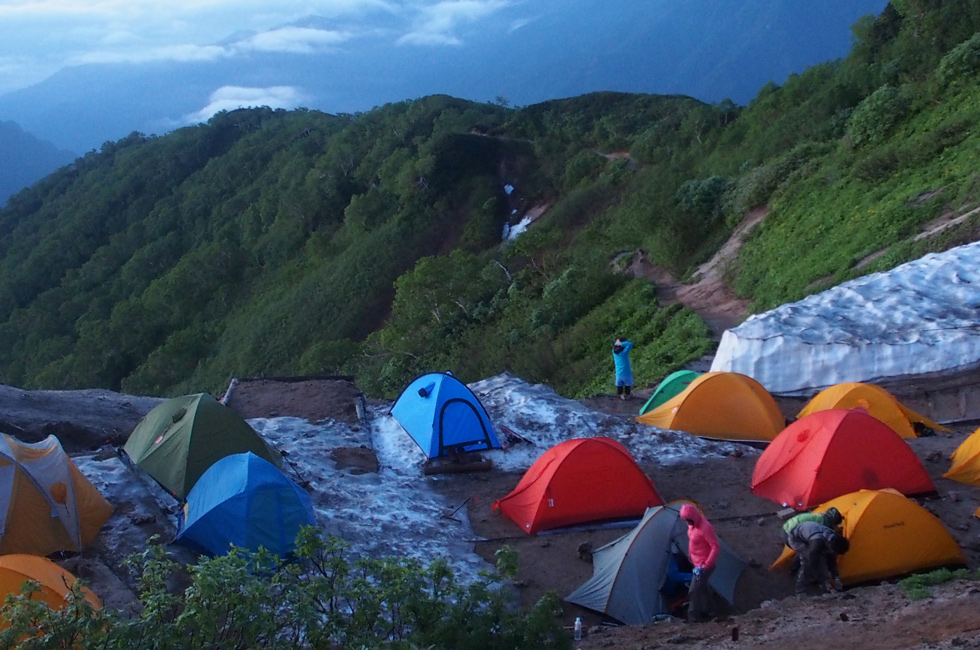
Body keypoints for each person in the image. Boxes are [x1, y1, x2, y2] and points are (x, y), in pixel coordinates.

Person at [786, 521, 850, 596]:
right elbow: (809, 563)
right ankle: (800, 591)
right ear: (831, 547)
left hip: (811, 534)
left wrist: (836, 579)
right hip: (796, 538)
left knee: (822, 561)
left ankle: (824, 587)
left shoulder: (833, 538)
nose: (835, 554)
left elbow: (832, 561)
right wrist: (823, 579)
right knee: (809, 562)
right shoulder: (817, 543)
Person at [680, 504, 719, 622]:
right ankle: (711, 611)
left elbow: (715, 546)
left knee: (693, 590)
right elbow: (693, 540)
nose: (687, 522)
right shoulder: (692, 525)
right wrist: (690, 554)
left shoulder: (705, 528)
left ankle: (693, 617)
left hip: (704, 564)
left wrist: (706, 565)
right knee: (703, 587)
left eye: (688, 520)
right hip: (696, 562)